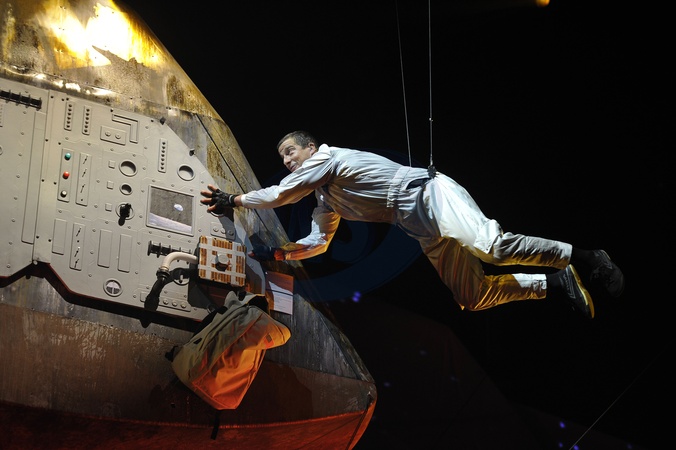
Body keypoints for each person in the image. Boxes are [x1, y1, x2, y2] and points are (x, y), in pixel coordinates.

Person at [200, 130, 624, 319]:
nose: (288, 161)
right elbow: (319, 241)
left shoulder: (329, 158)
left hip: (428, 194)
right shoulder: (326, 198)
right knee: (471, 296)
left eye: (291, 152)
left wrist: (234, 200)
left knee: (492, 247)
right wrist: (280, 252)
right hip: (420, 226)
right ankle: (555, 283)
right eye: (283, 158)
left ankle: (588, 258)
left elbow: (281, 194)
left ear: (311, 148)